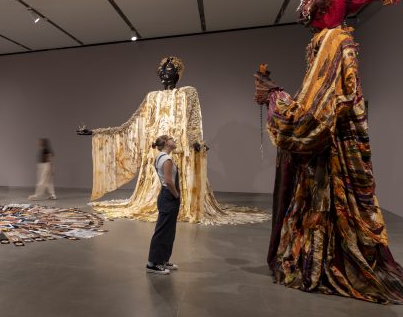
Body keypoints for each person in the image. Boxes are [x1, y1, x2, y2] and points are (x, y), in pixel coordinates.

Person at [254, 0, 403, 304]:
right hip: (327, 148)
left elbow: (320, 111)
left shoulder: (337, 41)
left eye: (316, 4)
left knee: (329, 204)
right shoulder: (322, 43)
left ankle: (329, 260)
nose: (309, 13)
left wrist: (275, 98)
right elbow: (317, 102)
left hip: (333, 148)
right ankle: (321, 255)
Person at [80, 57, 267, 225]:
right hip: (157, 150)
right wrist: (96, 132)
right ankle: (163, 203)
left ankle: (180, 203)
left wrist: (196, 141)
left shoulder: (188, 92)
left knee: (174, 180)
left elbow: (194, 120)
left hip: (180, 148)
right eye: (161, 70)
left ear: (177, 73)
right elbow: (130, 124)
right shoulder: (152, 96)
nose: (164, 73)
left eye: (169, 70)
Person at [146, 135, 181, 274]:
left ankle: (162, 260)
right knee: (163, 231)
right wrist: (176, 195)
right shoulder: (166, 159)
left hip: (166, 196)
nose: (175, 141)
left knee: (168, 231)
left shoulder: (160, 156)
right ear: (166, 143)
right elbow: (168, 181)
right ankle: (152, 264)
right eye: (172, 139)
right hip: (169, 196)